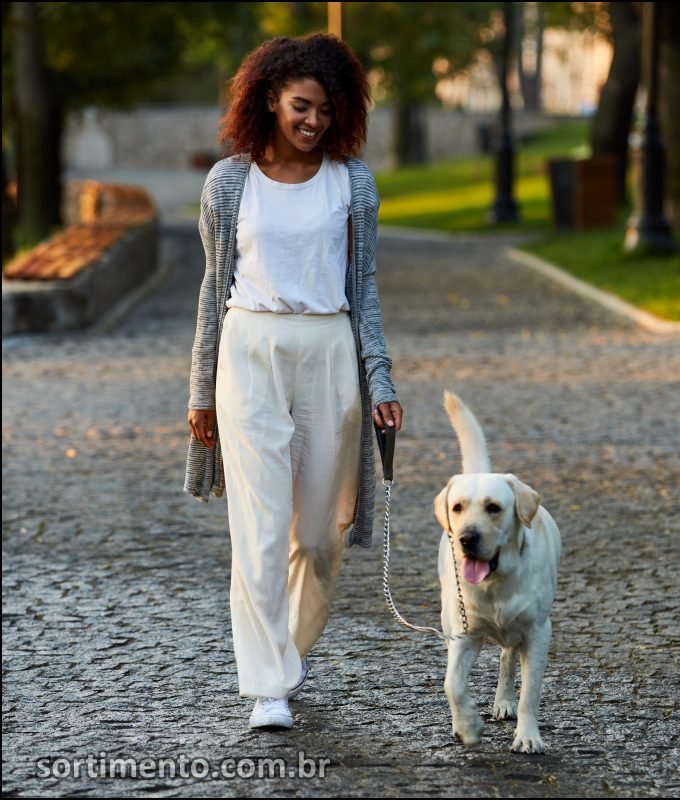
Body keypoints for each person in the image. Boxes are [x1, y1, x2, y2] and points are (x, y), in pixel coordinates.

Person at [183, 33, 403, 731]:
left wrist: (380, 379)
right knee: (258, 527)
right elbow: (213, 287)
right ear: (271, 99)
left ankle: (290, 654)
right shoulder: (229, 183)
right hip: (249, 350)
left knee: (316, 537)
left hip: (329, 351)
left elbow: (364, 288)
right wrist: (200, 389)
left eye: (327, 110)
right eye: (302, 106)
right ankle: (267, 685)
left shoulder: (352, 184)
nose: (314, 121)